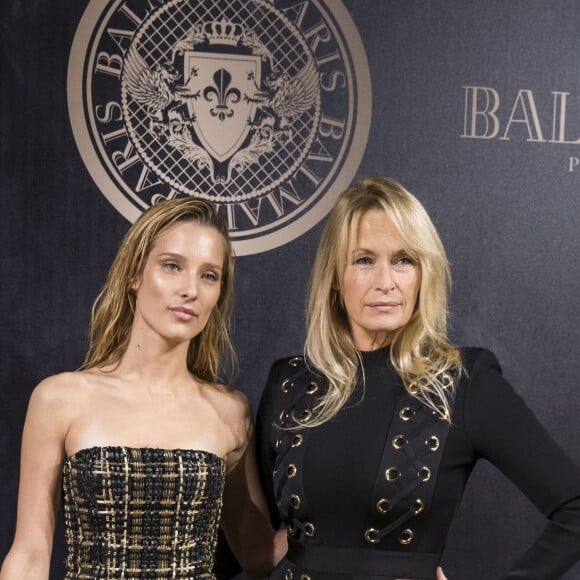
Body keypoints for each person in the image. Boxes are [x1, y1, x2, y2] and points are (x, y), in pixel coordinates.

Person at [256, 177, 580, 579]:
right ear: (336, 278)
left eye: (404, 260)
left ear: (424, 273)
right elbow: (254, 538)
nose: (385, 282)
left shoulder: (463, 381)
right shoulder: (288, 383)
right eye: (363, 260)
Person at [0, 197, 286, 579]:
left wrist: (335, 521)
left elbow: (257, 553)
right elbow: (31, 551)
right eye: (172, 266)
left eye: (209, 275)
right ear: (135, 274)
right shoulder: (60, 399)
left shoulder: (230, 410)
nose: (190, 290)